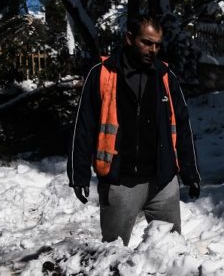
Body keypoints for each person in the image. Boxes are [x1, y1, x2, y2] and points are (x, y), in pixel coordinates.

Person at [67, 15, 201, 246]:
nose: (153, 50)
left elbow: (182, 127)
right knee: (113, 255)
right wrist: (78, 174)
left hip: (163, 182)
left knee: (171, 253)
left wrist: (191, 173)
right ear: (129, 38)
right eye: (146, 42)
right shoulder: (102, 75)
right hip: (120, 183)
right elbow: (83, 128)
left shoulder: (166, 77)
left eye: (157, 45)